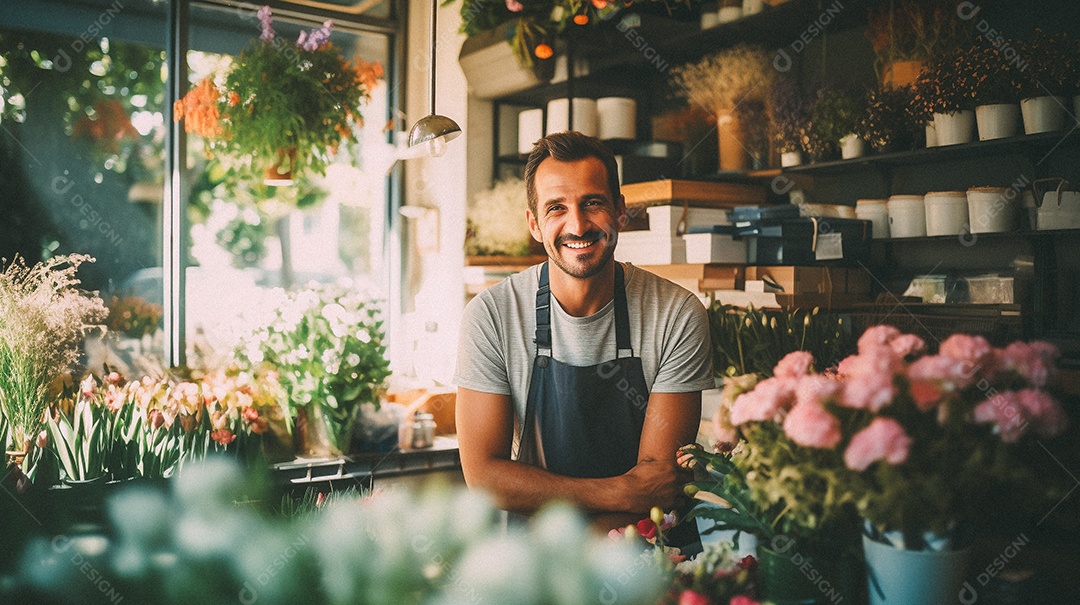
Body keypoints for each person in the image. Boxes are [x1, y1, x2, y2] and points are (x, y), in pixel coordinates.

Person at [453, 131, 714, 529]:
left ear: (621, 212)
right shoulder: (491, 316)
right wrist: (619, 491)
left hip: (647, 562)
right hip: (535, 569)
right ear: (534, 224)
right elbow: (485, 478)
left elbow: (657, 489)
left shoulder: (677, 314)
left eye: (592, 203)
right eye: (556, 208)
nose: (577, 225)